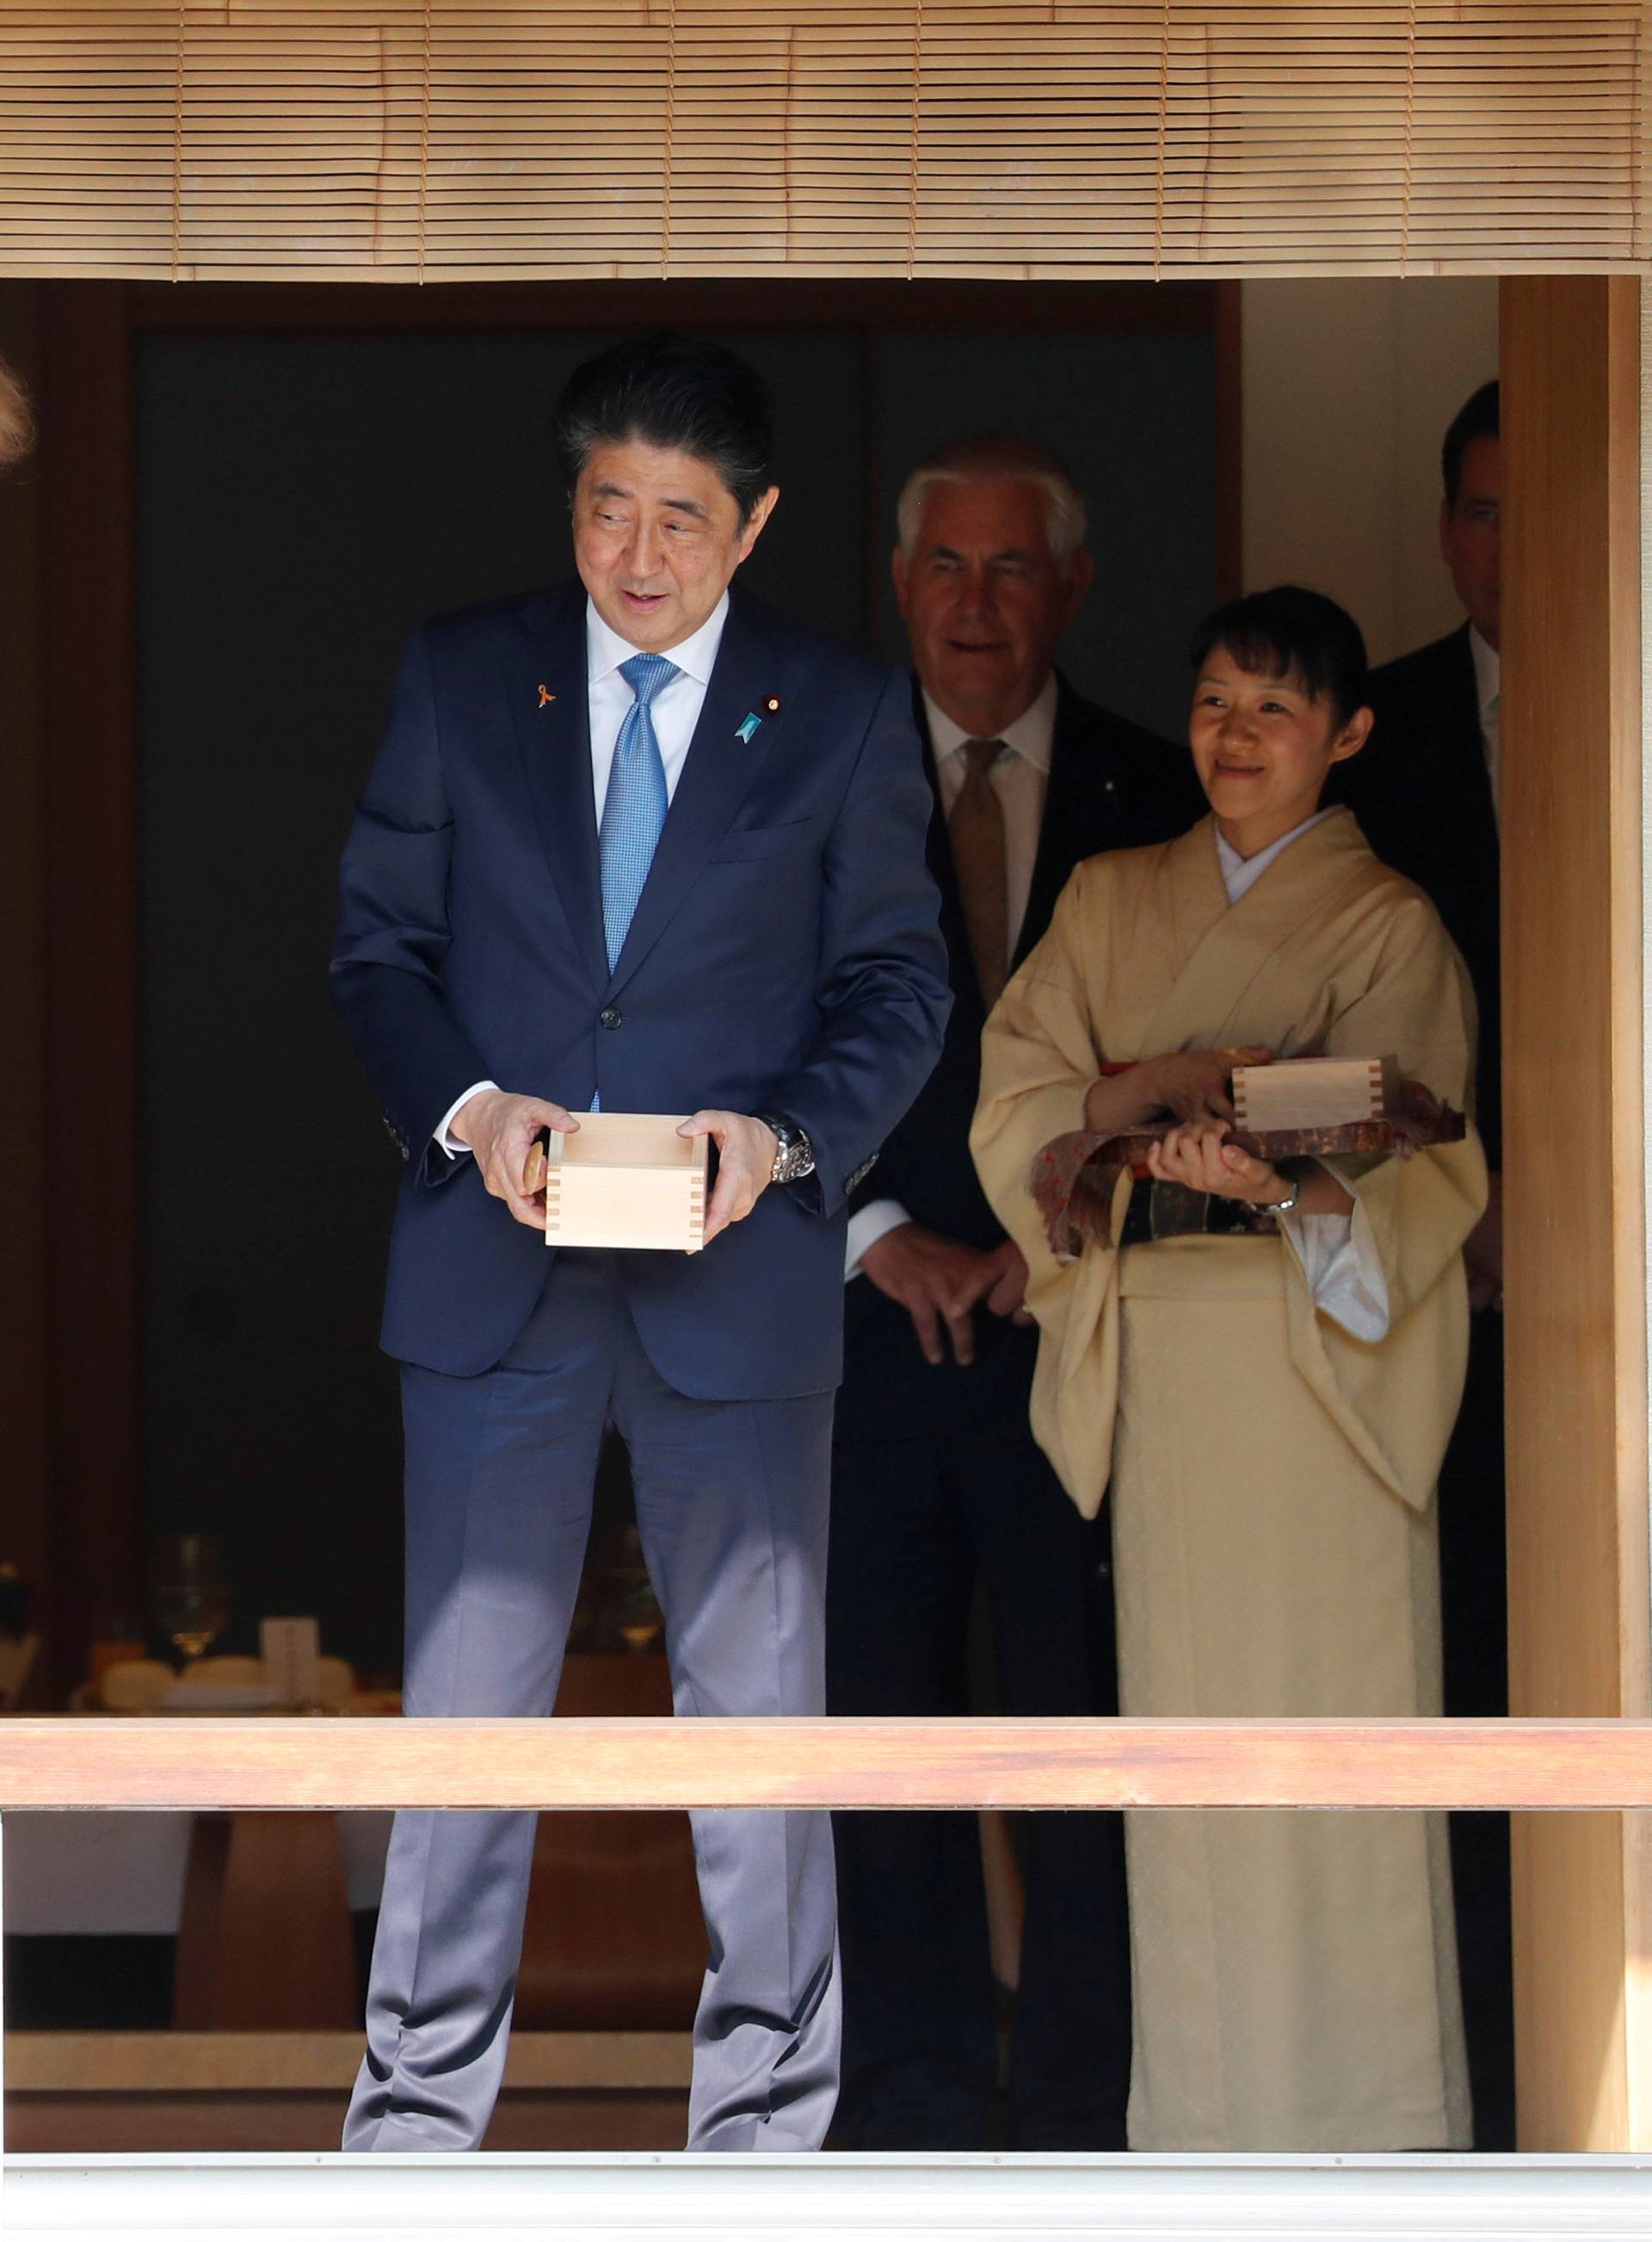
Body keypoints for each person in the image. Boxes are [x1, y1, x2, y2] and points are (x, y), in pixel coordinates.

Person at [330, 333, 951, 2153]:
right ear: (575, 504)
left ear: (752, 525)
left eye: (683, 515)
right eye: (611, 506)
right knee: (466, 1721)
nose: (642, 551)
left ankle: (763, 2130)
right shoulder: (467, 676)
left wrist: (780, 1142)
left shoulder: (837, 711)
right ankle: (414, 2132)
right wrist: (472, 1113)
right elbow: (379, 948)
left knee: (759, 1730)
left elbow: (900, 979)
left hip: (734, 1280)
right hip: (495, 1269)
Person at [972, 586, 1484, 2152]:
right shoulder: (1113, 894)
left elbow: (1420, 1159)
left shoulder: (1388, 921)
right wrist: (1143, 1107)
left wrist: (1281, 1183)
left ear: (1349, 733)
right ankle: (1200, 2143)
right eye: (1211, 702)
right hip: (1174, 1370)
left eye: (1274, 708)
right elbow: (1018, 1098)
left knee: (1337, 1772)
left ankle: (1377, 2145)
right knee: (1186, 1788)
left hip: (1313, 1374)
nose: (1235, 735)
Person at [826, 434, 1200, 2150]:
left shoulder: (1166, 780)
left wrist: (1040, 1231)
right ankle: (902, 2101)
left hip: (1082, 1329)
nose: (978, 605)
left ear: (1074, 588)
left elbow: (1190, 1061)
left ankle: (1076, 2104)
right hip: (866, 1330)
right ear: (902, 585)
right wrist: (876, 1221)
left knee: (1085, 1733)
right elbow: (750, 1031)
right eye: (946, 569)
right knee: (880, 1739)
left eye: (1013, 569)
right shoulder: (806, 776)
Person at [1331, 379, 1512, 2142]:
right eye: (1477, 511)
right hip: (1426, 1276)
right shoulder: (1370, 725)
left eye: (1540, 508)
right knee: (1452, 1673)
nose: (1506, 548)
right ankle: (1479, 2095)